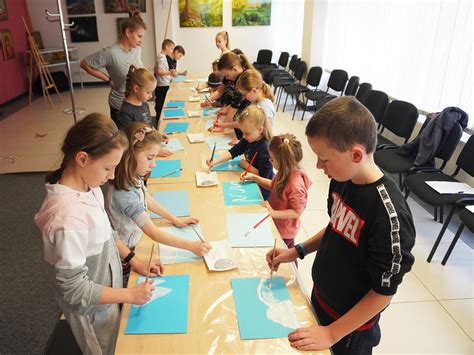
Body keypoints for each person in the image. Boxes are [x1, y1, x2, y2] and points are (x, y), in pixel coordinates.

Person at [267, 97, 416, 354]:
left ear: (356, 154)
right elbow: (338, 225)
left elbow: (383, 292)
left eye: (324, 159)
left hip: (350, 329)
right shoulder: (342, 178)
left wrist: (332, 332)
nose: (317, 166)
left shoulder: (390, 216)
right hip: (322, 299)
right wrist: (297, 250)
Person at [34, 113, 162, 355]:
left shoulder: (89, 186)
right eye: (108, 168)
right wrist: (128, 294)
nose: (112, 176)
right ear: (82, 159)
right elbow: (73, 290)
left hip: (107, 296)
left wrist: (132, 259)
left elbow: (108, 232)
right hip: (91, 311)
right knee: (106, 349)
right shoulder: (67, 220)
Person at [105, 122, 211, 286]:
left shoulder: (133, 175)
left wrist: (174, 219)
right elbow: (153, 233)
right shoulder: (124, 193)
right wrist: (191, 246)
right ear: (129, 155)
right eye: (149, 158)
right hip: (126, 255)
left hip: (136, 242)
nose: (153, 164)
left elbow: (146, 199)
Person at [242, 134, 311, 248]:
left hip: (284, 231)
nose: (269, 160)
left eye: (272, 159)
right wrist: (255, 178)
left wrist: (273, 213)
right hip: (276, 223)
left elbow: (296, 212)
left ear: (283, 162)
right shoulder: (284, 171)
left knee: (285, 255)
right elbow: (275, 187)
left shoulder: (295, 184)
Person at [80, 7, 145, 124]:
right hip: (120, 105)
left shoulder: (137, 50)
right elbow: (84, 64)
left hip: (137, 102)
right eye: (139, 36)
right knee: (123, 139)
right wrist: (108, 79)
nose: (141, 40)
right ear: (128, 32)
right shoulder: (110, 53)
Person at [206, 104, 274, 199]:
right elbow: (233, 152)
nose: (243, 136)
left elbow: (263, 176)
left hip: (261, 191)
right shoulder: (248, 138)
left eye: (246, 133)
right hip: (250, 182)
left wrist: (245, 165)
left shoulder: (265, 149)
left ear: (260, 130)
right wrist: (214, 162)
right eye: (242, 133)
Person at [116, 66, 172, 157]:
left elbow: (149, 126)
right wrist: (155, 151)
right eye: (148, 92)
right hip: (138, 157)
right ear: (136, 88)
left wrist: (157, 136)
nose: (151, 96)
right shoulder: (125, 112)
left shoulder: (144, 104)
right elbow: (129, 143)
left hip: (149, 149)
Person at [207, 52, 253, 139]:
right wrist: (209, 99)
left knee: (240, 136)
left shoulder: (242, 80)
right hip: (236, 114)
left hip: (244, 115)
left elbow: (234, 107)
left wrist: (223, 127)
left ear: (235, 69)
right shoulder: (229, 75)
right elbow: (220, 90)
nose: (226, 78)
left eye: (227, 75)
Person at [154, 39, 177, 125]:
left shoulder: (162, 57)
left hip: (165, 84)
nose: (172, 51)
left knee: (164, 103)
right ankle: (160, 122)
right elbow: (159, 71)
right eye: (171, 48)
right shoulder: (161, 57)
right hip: (162, 86)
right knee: (161, 104)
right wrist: (170, 72)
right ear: (166, 47)